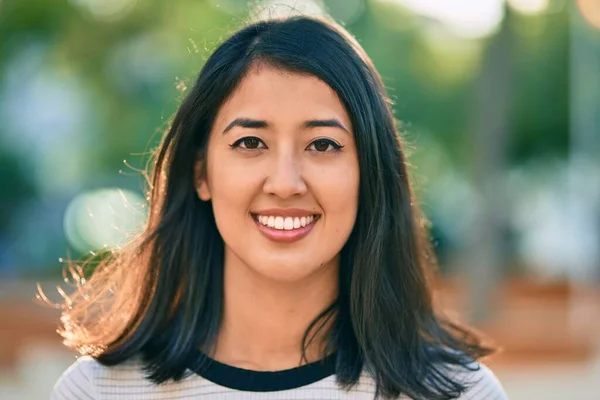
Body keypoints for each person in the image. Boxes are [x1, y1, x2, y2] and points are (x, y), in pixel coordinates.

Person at [50, 14, 507, 400]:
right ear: (201, 173)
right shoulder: (99, 390)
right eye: (250, 142)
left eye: (323, 145)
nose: (286, 183)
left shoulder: (459, 393)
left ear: (368, 174)